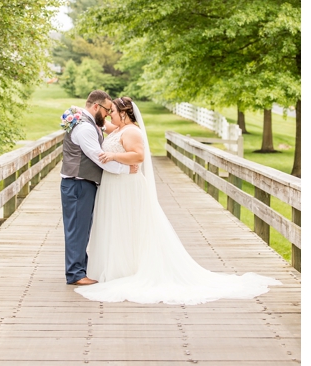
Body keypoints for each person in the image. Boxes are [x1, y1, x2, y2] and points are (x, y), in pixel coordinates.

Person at [76, 97, 279, 304]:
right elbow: (97, 123)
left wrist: (112, 156)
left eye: (113, 111)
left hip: (126, 187)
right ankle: (114, 268)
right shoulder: (118, 129)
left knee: (128, 225)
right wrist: (76, 114)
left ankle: (126, 269)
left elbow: (138, 156)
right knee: (116, 225)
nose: (110, 114)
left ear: (124, 113)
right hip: (114, 185)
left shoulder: (132, 131)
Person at [60, 90, 138, 286]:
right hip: (78, 183)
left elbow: (111, 128)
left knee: (82, 229)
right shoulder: (85, 128)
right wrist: (126, 169)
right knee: (77, 229)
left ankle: (79, 269)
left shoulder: (87, 122)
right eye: (106, 110)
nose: (107, 114)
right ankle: (76, 274)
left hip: (81, 182)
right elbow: (99, 159)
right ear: (96, 107)